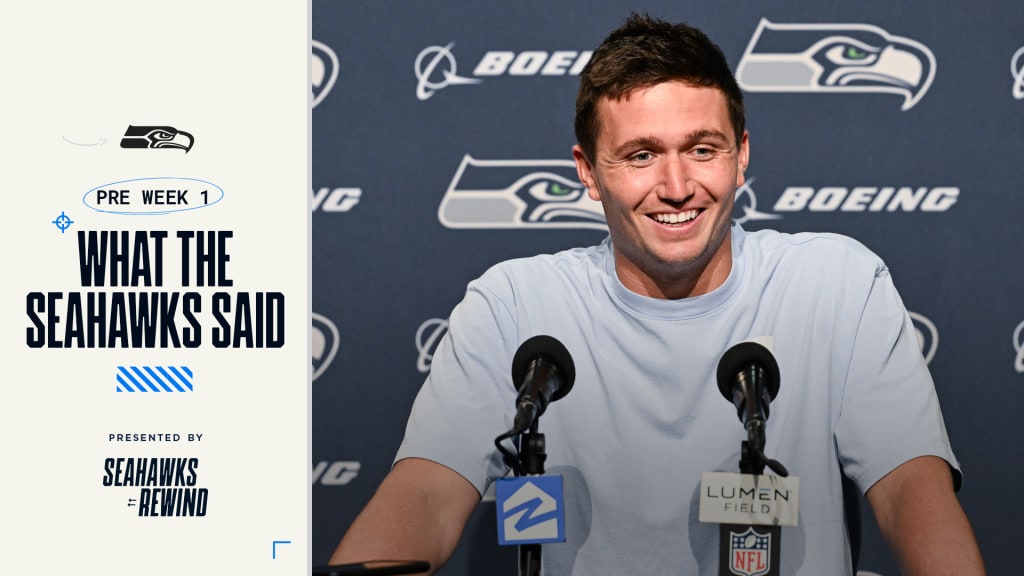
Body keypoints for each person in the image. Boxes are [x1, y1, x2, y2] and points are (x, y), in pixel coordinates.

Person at [330, 13, 985, 575]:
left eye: (702, 148)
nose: (676, 186)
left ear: (742, 155)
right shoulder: (514, 304)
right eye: (640, 155)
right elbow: (426, 493)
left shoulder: (838, 284)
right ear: (587, 171)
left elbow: (910, 490)